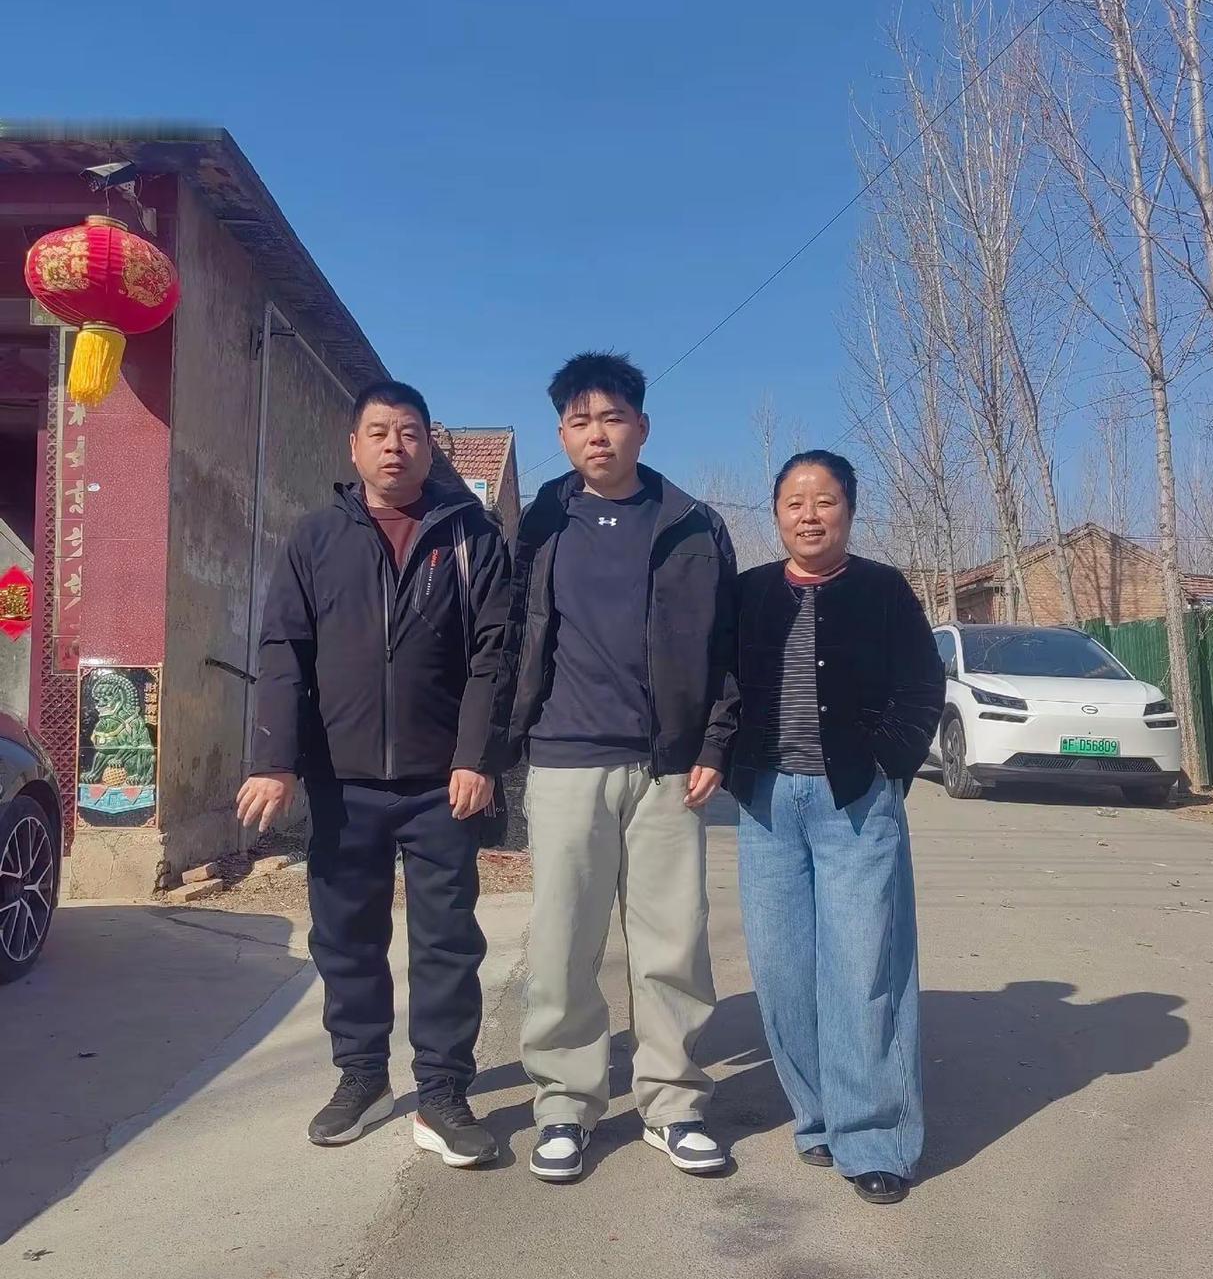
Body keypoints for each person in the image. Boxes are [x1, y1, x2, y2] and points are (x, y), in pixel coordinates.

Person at [236, 380, 510, 1166]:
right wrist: (276, 761)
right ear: (354, 447)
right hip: (341, 780)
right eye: (380, 432)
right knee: (347, 937)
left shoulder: (471, 536)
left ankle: (443, 1093)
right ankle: (361, 1076)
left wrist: (476, 756)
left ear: (431, 447)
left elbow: (494, 654)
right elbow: (284, 653)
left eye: (410, 432)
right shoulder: (316, 539)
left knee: (447, 943)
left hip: (440, 785)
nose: (396, 445)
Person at [492, 352, 738, 1182]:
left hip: (669, 768)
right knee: (564, 943)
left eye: (612, 417)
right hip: (566, 758)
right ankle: (565, 1103)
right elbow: (510, 637)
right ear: (562, 434)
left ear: (642, 426)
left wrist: (714, 744)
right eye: (579, 420)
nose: (596, 434)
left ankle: (673, 1102)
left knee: (673, 943)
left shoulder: (693, 525)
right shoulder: (541, 523)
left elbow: (727, 647)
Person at [730, 451, 943, 1203]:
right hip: (766, 804)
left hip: (853, 800)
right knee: (783, 971)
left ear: (849, 510)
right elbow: (721, 684)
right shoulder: (750, 592)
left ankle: (875, 1138)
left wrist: (887, 760)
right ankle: (818, 1117)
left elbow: (923, 684)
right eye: (794, 501)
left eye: (825, 500)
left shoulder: (882, 589)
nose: (810, 514)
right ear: (776, 513)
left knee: (862, 970)